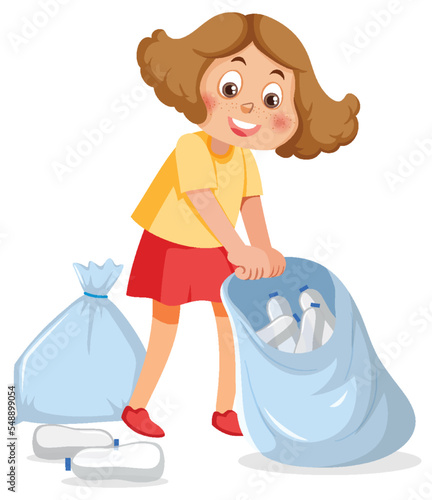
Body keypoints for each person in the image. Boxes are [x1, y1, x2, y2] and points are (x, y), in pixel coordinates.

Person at [121, 12, 360, 437]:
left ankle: (225, 410)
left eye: (272, 98)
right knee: (165, 328)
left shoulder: (245, 158)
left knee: (230, 323)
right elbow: (203, 200)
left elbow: (251, 203)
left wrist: (264, 249)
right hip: (173, 244)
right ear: (197, 80)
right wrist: (238, 249)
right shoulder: (189, 146)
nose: (249, 106)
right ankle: (137, 406)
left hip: (217, 247)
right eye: (231, 87)